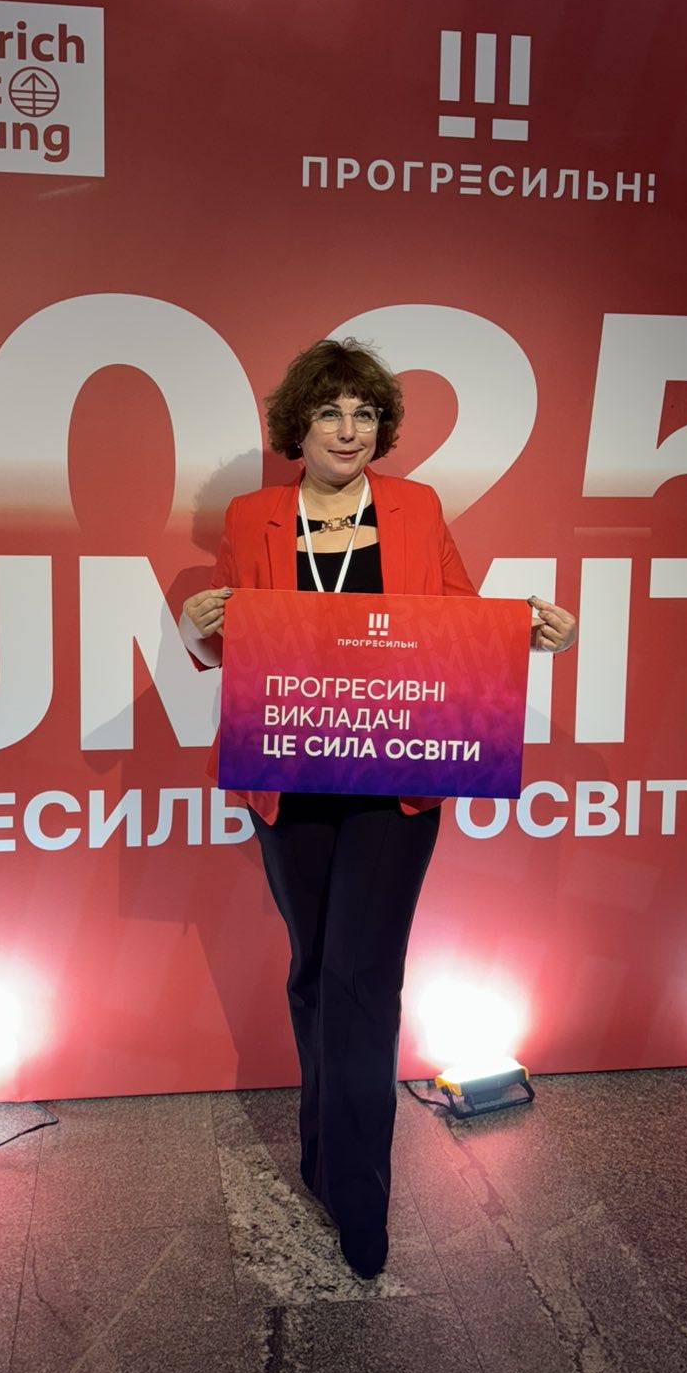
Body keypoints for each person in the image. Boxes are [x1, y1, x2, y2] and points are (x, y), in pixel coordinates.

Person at [181, 338, 576, 1279]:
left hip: (395, 782)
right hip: (290, 778)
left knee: (361, 974)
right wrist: (197, 630)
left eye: (364, 414)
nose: (349, 430)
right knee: (315, 971)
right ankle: (321, 1158)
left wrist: (530, 633)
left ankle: (360, 1198)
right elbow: (236, 640)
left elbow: (458, 620)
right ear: (301, 426)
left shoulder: (415, 507)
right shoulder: (253, 517)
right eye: (331, 413)